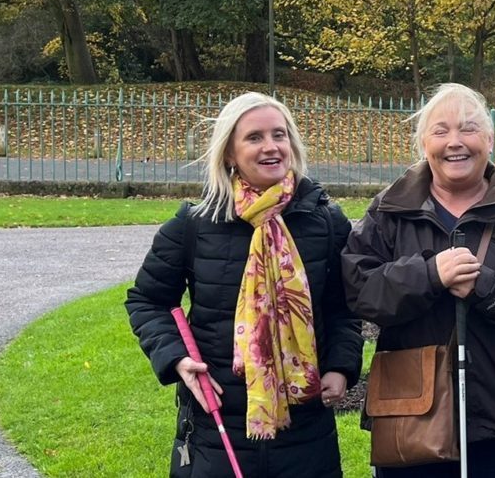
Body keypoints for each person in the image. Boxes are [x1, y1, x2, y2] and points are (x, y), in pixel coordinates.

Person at [342, 83, 495, 478]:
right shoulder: (389, 211)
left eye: (468, 129)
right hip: (408, 411)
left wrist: (484, 285)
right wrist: (430, 275)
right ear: (422, 142)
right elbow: (360, 288)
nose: (455, 142)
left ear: (490, 138)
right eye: (441, 130)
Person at [126, 92, 362, 478]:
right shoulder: (195, 223)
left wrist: (340, 366)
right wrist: (177, 360)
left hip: (306, 429)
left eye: (279, 135)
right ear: (230, 154)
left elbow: (344, 308)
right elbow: (147, 300)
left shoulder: (327, 222)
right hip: (217, 427)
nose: (271, 147)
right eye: (254, 137)